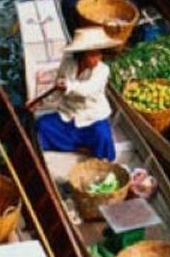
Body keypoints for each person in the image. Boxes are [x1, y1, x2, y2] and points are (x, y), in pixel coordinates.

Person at [34, 27, 120, 160]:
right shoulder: (67, 64)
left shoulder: (103, 70)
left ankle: (89, 148)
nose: (97, 59)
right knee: (43, 125)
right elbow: (57, 90)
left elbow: (89, 89)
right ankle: (82, 147)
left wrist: (69, 85)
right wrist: (40, 103)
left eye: (99, 54)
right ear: (82, 54)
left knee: (103, 136)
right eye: (92, 55)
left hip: (92, 117)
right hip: (69, 114)